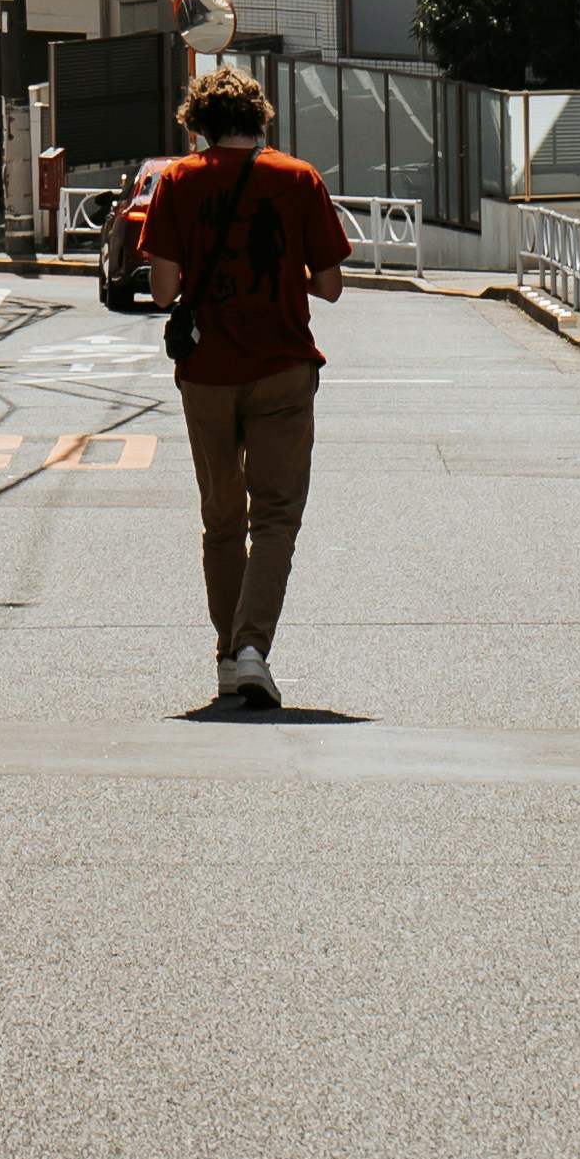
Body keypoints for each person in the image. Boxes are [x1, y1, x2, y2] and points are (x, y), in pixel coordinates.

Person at [145, 65, 351, 711]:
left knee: (221, 518)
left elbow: (162, 291)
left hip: (207, 374)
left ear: (198, 123)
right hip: (283, 366)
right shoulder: (298, 178)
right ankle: (252, 647)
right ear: (259, 118)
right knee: (277, 516)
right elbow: (330, 284)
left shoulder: (178, 180)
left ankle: (228, 659)